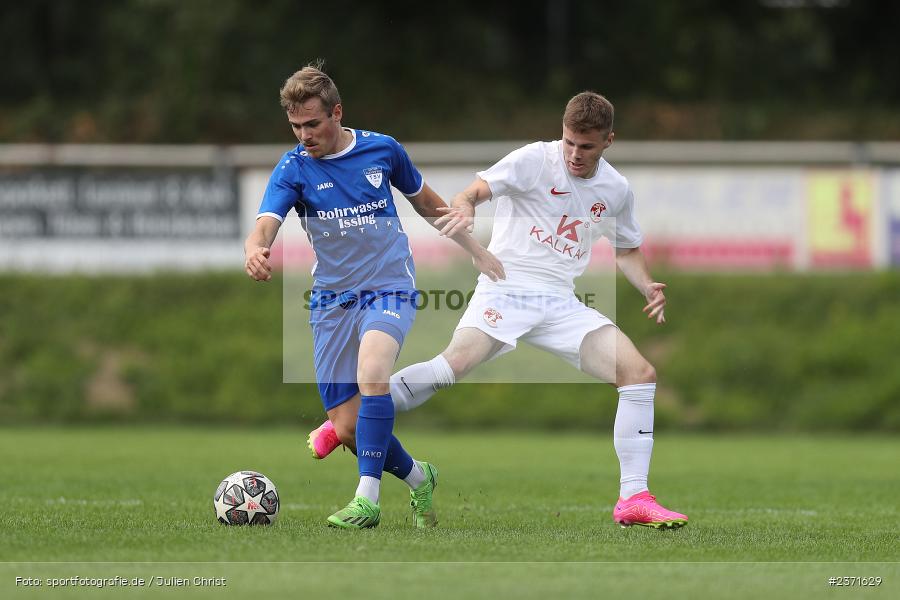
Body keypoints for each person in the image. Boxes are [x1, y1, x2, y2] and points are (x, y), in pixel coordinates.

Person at [309, 91, 688, 529]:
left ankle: (634, 499)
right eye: (569, 142)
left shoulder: (615, 189)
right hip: (506, 286)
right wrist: (467, 207)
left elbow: (627, 249)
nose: (575, 154)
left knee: (639, 374)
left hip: (561, 301)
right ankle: (344, 423)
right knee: (451, 366)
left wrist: (646, 285)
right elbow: (472, 191)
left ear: (608, 141)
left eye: (586, 146)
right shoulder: (533, 159)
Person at [244, 61, 504, 529]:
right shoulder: (294, 168)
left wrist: (476, 249)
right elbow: (267, 222)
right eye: (296, 125)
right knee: (347, 428)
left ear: (337, 113)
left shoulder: (382, 150)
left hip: (390, 286)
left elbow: (429, 205)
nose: (304, 134)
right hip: (331, 302)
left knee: (373, 372)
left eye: (313, 123)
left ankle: (367, 500)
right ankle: (420, 477)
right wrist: (255, 248)